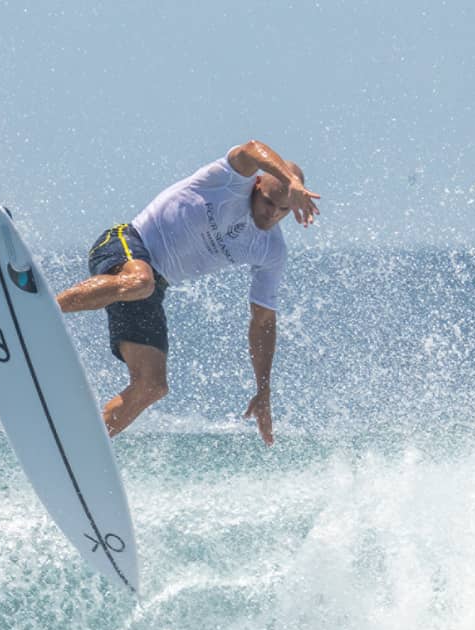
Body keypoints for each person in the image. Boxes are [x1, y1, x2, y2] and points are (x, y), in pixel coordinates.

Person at [56, 140, 320, 445]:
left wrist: (263, 390)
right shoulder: (230, 179)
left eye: (283, 209)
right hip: (127, 242)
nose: (272, 214)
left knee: (152, 385)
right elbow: (251, 148)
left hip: (150, 288)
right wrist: (292, 180)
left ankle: (80, 445)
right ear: (257, 182)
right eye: (267, 202)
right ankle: (40, 309)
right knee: (140, 281)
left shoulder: (271, 250)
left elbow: (262, 321)